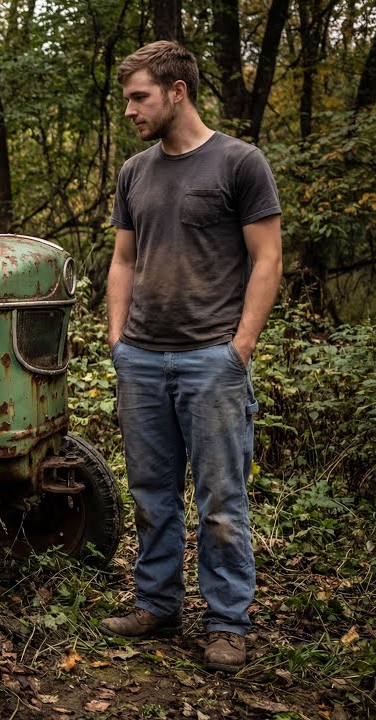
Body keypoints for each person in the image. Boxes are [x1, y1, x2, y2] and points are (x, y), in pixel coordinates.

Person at [101, 40, 282, 673]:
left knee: (220, 501)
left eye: (139, 97)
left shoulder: (240, 163)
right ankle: (157, 603)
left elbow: (267, 258)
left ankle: (228, 622)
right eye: (128, 98)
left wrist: (240, 348)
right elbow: (123, 259)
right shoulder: (135, 172)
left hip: (211, 360)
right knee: (151, 493)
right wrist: (119, 342)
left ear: (177, 91)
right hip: (143, 361)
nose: (130, 110)